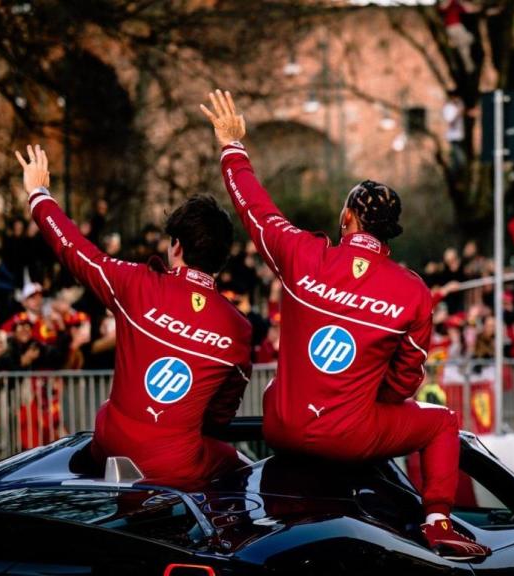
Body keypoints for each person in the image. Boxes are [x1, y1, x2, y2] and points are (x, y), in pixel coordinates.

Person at [201, 89, 489, 559]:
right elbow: (405, 383)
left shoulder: (302, 254)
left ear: (347, 217)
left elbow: (255, 209)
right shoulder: (413, 291)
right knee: (443, 422)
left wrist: (232, 147)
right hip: (352, 436)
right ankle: (438, 523)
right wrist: (367, 397)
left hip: (283, 424)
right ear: (390, 232)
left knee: (278, 388)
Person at [14, 145, 252, 488]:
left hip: (109, 447)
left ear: (177, 247)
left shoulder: (137, 283)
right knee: (245, 468)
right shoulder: (239, 327)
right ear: (223, 258)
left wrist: (38, 194)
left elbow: (75, 250)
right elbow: (221, 414)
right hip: (174, 465)